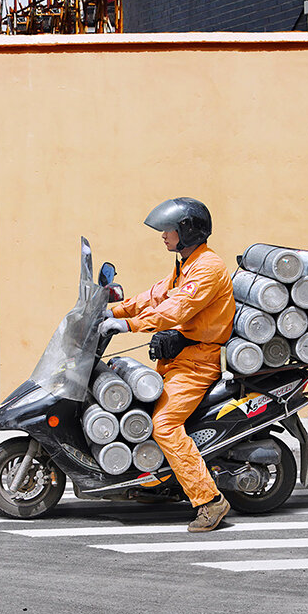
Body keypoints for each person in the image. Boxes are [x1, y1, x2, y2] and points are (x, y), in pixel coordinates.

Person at [98, 197, 235, 533]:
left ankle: (209, 501)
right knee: (138, 408)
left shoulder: (207, 268)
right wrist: (112, 311)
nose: (163, 234)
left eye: (168, 229)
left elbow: (175, 309)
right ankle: (156, 481)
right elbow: (156, 295)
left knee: (164, 425)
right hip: (178, 359)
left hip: (197, 364)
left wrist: (127, 326)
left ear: (187, 230)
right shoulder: (186, 264)